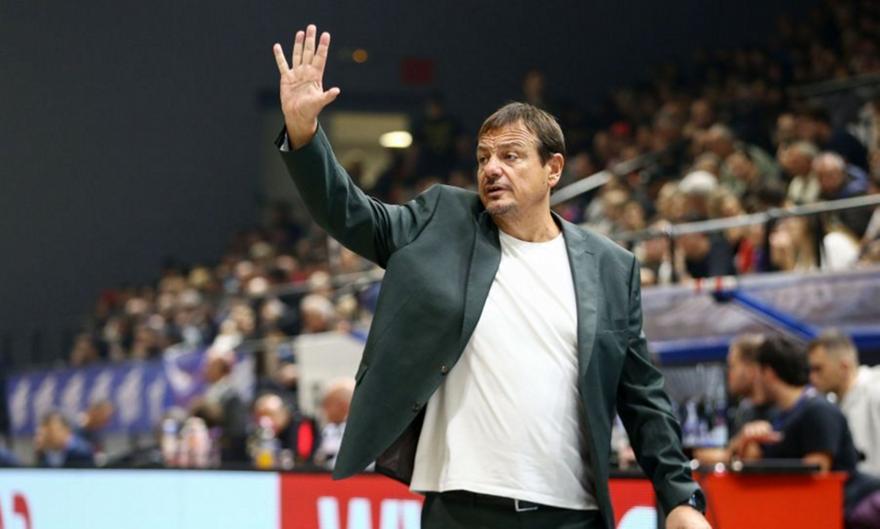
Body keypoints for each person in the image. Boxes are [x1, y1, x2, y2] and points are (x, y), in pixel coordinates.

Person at [271, 25, 709, 529]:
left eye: (511, 156)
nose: (492, 168)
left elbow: (642, 396)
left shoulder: (610, 266)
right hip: (461, 510)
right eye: (483, 157)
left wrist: (680, 498)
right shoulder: (442, 221)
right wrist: (304, 134)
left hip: (572, 513)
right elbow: (351, 214)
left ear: (553, 169)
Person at [730, 335, 880, 529]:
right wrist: (746, 440)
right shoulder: (780, 416)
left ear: (768, 373)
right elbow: (750, 463)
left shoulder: (818, 410)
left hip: (851, 510)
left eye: (757, 372)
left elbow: (815, 474)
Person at [807, 330, 880, 477]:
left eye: (818, 369)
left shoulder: (875, 391)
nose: (812, 378)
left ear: (844, 367)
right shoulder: (831, 403)